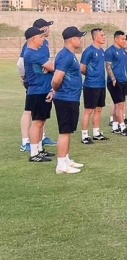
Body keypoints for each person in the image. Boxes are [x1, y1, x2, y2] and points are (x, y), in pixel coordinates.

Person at [50, 27, 87, 174]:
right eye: (79, 37)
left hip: (71, 97)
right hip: (66, 98)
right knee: (64, 131)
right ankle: (60, 165)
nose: (80, 40)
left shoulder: (69, 54)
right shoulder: (65, 55)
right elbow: (56, 79)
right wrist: (56, 90)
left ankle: (65, 159)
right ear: (72, 39)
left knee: (69, 131)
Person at [18, 18, 57, 152]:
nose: (48, 30)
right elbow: (21, 64)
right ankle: (28, 145)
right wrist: (25, 78)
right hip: (36, 87)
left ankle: (39, 146)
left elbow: (48, 64)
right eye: (46, 27)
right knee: (33, 116)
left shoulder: (41, 45)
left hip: (43, 86)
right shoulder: (31, 50)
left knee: (40, 120)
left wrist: (46, 66)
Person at [80, 28, 109, 144]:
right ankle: (84, 135)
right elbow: (82, 68)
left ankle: (96, 133)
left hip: (101, 85)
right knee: (88, 110)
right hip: (91, 85)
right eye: (102, 35)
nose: (104, 37)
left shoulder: (102, 51)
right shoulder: (89, 51)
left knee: (99, 109)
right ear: (95, 37)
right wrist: (91, 76)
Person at [105, 31, 127, 137]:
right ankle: (123, 128)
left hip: (124, 80)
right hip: (115, 82)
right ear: (116, 39)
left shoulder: (124, 51)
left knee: (120, 105)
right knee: (119, 105)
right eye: (122, 39)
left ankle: (115, 127)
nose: (124, 41)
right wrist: (113, 79)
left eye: (125, 39)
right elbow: (108, 66)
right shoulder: (110, 51)